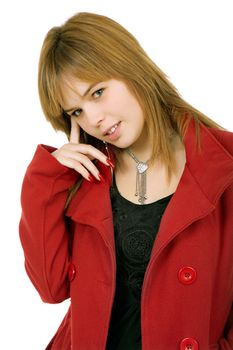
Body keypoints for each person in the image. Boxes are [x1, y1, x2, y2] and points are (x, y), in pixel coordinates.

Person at [19, 11, 233, 350]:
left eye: (98, 92)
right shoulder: (84, 179)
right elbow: (51, 288)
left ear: (131, 67)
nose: (93, 119)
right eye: (75, 112)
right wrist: (45, 180)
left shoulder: (224, 167)